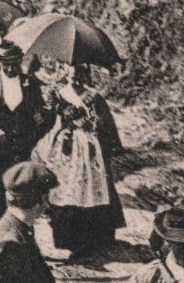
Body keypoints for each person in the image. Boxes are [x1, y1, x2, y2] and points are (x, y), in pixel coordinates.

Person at [36, 65, 125, 258]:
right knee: (65, 189)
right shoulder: (59, 93)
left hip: (89, 146)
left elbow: (106, 123)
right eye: (71, 73)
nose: (75, 78)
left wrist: (93, 123)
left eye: (79, 74)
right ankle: (66, 238)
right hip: (66, 147)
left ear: (85, 76)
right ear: (66, 73)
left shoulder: (94, 97)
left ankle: (93, 238)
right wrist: (49, 107)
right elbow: (47, 120)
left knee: (91, 189)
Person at [0, 40, 50, 224]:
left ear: (20, 61)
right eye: (5, 63)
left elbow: (41, 111)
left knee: (21, 191)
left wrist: (41, 115)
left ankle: (22, 234)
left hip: (20, 147)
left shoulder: (29, 83)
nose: (9, 68)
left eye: (13, 63)